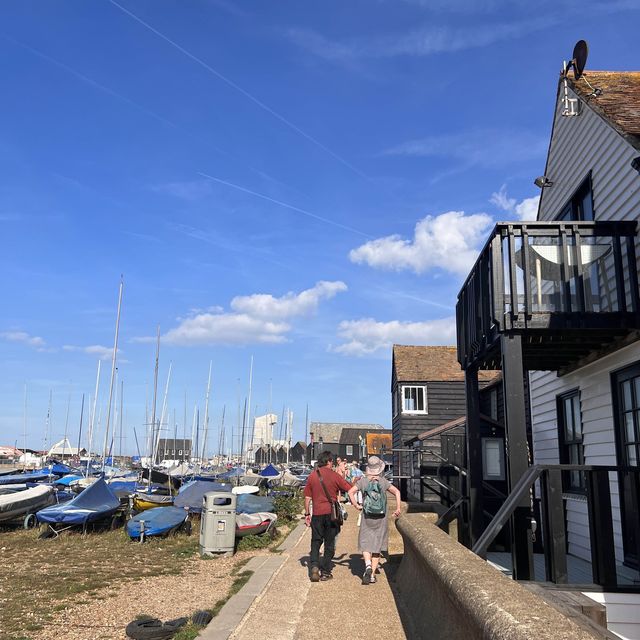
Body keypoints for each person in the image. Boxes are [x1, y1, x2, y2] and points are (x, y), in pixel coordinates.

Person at [348, 455, 401, 585]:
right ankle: (372, 575)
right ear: (379, 468)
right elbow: (397, 492)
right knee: (377, 546)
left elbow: (350, 492)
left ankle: (367, 565)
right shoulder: (383, 481)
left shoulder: (363, 481)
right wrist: (398, 508)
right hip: (381, 517)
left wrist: (356, 505)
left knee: (366, 542)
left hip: (367, 516)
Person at [304, 450, 355, 582]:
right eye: (331, 461)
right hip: (331, 514)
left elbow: (307, 498)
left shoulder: (312, 476)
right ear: (328, 461)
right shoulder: (334, 476)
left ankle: (314, 566)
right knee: (329, 543)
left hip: (317, 513)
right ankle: (325, 571)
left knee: (315, 541)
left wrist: (307, 514)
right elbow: (349, 488)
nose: (332, 463)